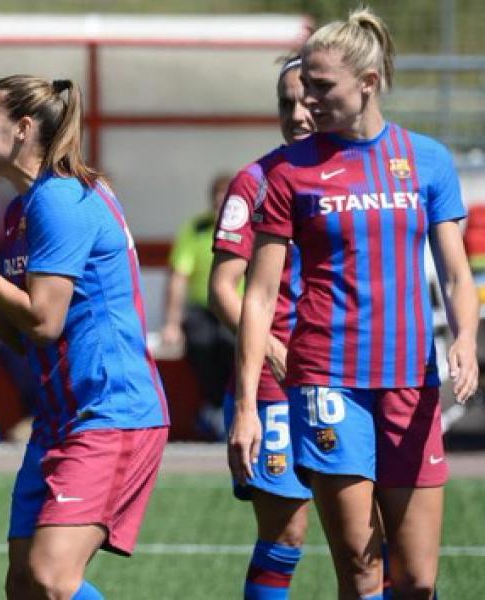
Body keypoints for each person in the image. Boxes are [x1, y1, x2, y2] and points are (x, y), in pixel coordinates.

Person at [232, 8, 478, 599]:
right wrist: (245, 405)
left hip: (411, 383)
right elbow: (258, 294)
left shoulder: (428, 159)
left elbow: (454, 269)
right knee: (362, 570)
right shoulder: (290, 172)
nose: (305, 101)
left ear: (367, 84)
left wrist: (466, 338)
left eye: (321, 87)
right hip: (328, 384)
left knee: (416, 579)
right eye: (304, 86)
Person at [0, 75, 170, 599]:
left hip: (111, 410)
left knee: (53, 578)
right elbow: (18, 333)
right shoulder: (23, 211)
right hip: (62, 417)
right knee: (24, 585)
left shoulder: (59, 199)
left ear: (24, 128)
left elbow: (43, 320)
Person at [208, 56, 314, 599]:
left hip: (350, 378)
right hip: (276, 387)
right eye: (285, 102)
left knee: (377, 533)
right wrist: (272, 349)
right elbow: (223, 288)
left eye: (307, 99)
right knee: (286, 532)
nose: (296, 114)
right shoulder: (254, 181)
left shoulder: (368, 175)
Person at [160, 172, 235, 439]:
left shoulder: (251, 227)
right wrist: (171, 323)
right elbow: (178, 277)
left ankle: (229, 407)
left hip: (238, 307)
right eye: (217, 202)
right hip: (203, 308)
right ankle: (213, 407)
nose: (221, 208)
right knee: (201, 341)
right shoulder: (195, 229)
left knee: (232, 343)